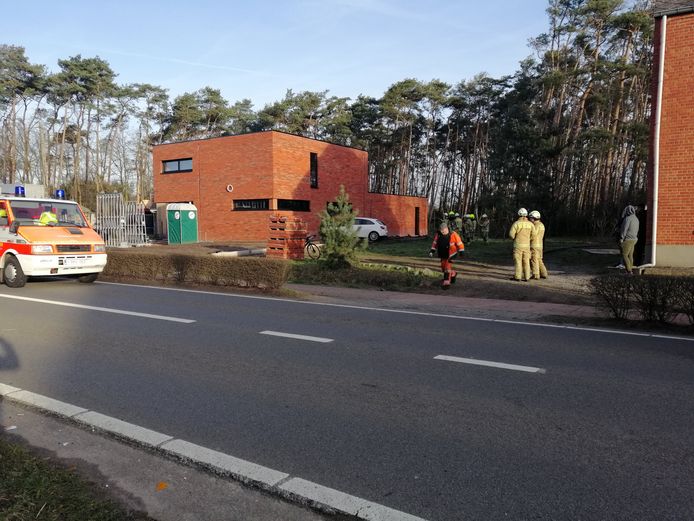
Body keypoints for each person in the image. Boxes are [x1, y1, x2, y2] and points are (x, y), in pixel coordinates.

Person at [429, 222, 465, 289]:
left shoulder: (453, 234)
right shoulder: (438, 234)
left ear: (447, 228)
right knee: (443, 268)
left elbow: (459, 243)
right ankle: (453, 273)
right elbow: (435, 243)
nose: (442, 231)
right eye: (441, 230)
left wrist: (461, 251)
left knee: (447, 268)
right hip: (442, 254)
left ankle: (446, 282)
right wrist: (432, 251)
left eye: (443, 230)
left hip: (451, 254)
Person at [508, 208, 535, 281]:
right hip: (527, 246)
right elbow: (534, 235)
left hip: (518, 246)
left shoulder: (516, 223)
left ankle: (518, 277)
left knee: (518, 261)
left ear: (519, 214)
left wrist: (514, 238)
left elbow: (511, 235)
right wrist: (528, 239)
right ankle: (527, 277)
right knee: (526, 261)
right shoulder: (531, 224)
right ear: (526, 215)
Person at [619, 205, 639, 275]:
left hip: (627, 239)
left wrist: (621, 238)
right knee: (630, 255)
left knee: (624, 255)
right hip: (634, 239)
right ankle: (630, 269)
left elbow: (624, 229)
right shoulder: (636, 219)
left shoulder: (627, 219)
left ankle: (629, 271)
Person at [528, 210, 548, 279]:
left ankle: (536, 275)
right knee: (539, 260)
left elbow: (533, 235)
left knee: (534, 260)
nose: (530, 219)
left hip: (534, 245)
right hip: (540, 245)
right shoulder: (541, 224)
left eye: (530, 218)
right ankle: (544, 273)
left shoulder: (535, 225)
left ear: (534, 218)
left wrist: (527, 238)